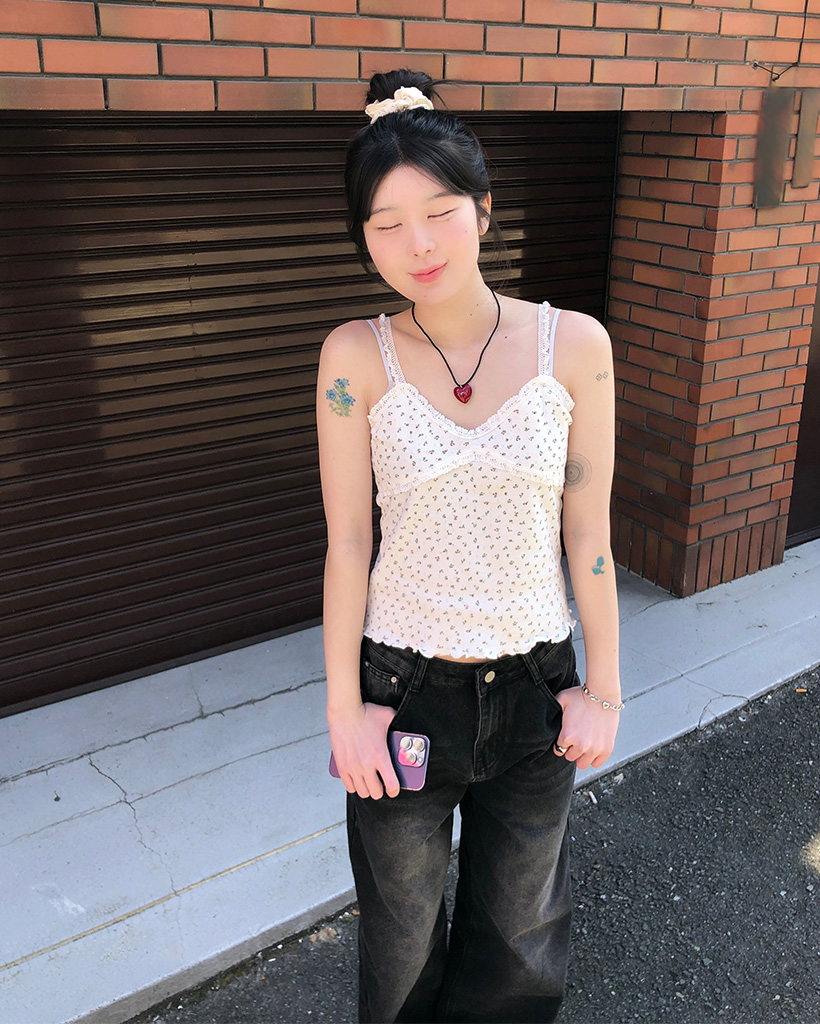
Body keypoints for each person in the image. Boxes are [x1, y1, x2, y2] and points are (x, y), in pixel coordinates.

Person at [316, 69, 621, 1024]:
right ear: (364, 237)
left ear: (484, 210)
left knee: (521, 940)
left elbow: (590, 533)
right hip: (404, 692)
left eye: (440, 213)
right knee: (401, 941)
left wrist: (604, 688)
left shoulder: (576, 346)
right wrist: (343, 711)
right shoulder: (354, 357)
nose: (417, 244)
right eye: (386, 224)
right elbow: (346, 545)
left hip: (535, 685)